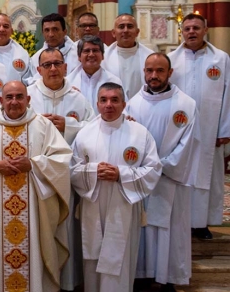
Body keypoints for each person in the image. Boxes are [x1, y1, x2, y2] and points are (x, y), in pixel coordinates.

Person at [0, 80, 71, 292]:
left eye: (19, 97)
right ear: (1, 100)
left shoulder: (43, 126)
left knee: (32, 251)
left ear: (28, 99)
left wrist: (33, 164)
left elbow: (61, 160)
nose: (14, 102)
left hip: (33, 207)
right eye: (9, 97)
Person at [71, 82, 161, 291]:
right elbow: (72, 170)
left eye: (114, 100)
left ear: (124, 104)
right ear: (97, 103)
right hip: (93, 205)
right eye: (104, 100)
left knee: (120, 258)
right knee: (93, 256)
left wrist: (121, 174)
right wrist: (93, 171)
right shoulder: (85, 134)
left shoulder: (140, 134)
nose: (109, 105)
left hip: (124, 205)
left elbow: (154, 169)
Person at [126, 53, 198, 291]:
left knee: (168, 229)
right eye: (149, 70)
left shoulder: (185, 105)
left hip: (169, 180)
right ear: (144, 72)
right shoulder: (133, 103)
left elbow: (187, 145)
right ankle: (141, 275)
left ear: (170, 73)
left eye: (159, 71)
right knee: (142, 228)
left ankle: (165, 278)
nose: (153, 76)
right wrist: (143, 169)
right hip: (140, 179)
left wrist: (159, 167)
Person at [27, 47, 93, 290]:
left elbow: (95, 129)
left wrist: (69, 124)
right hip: (36, 175)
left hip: (67, 175)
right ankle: (38, 279)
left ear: (66, 67)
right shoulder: (27, 96)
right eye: (47, 65)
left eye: (57, 64)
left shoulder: (78, 98)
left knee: (66, 229)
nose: (53, 69)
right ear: (39, 69)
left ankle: (68, 282)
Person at [168, 13, 230, 239]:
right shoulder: (171, 60)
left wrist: (224, 129)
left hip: (210, 129)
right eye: (187, 29)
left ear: (206, 30)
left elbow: (228, 95)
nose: (191, 32)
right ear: (181, 32)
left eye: (196, 28)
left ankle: (202, 223)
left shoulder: (221, 59)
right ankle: (181, 221)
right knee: (181, 175)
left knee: (207, 176)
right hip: (180, 130)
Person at [102, 14, 154, 100]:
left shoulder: (149, 56)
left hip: (141, 105)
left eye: (130, 26)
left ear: (137, 32)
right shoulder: (104, 58)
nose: (125, 30)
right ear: (113, 33)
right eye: (121, 27)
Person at [66, 36, 122, 113]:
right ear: (79, 56)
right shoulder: (68, 82)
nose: (91, 54)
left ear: (102, 56)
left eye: (95, 50)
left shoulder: (114, 81)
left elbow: (122, 109)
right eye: (87, 51)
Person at [0, 13, 31, 83]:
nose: (1, 29)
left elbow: (28, 81)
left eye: (5, 26)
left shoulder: (21, 54)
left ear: (11, 31)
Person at [30, 13, 80, 79]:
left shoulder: (78, 53)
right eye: (47, 30)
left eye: (55, 29)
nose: (51, 34)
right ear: (43, 33)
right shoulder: (35, 58)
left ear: (64, 32)